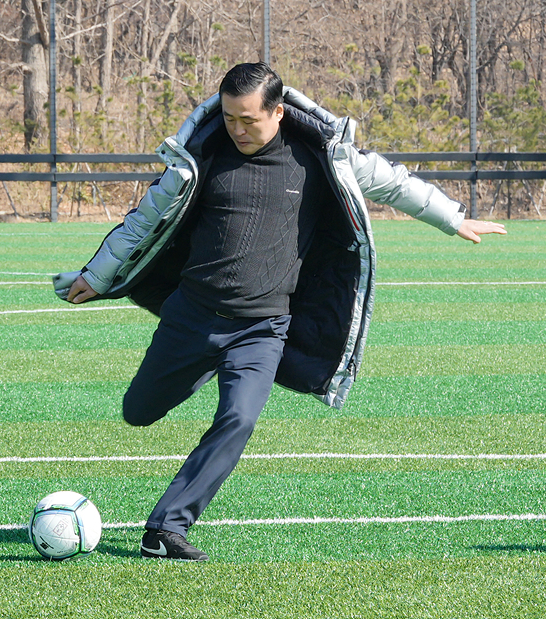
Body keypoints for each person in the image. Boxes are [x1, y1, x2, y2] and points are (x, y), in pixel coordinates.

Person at [52, 63, 506, 561]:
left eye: (249, 119)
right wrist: (96, 277)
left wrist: (453, 219)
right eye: (229, 118)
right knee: (137, 413)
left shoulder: (322, 157)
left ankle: (166, 528)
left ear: (278, 112)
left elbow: (394, 184)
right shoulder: (198, 158)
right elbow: (143, 220)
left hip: (263, 328)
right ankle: (198, 368)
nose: (238, 129)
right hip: (191, 317)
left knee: (239, 419)